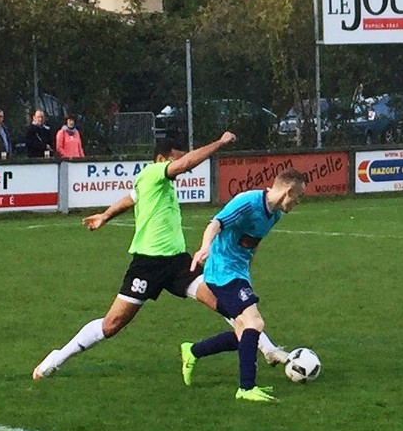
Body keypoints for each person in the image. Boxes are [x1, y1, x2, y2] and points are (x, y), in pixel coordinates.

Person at [32, 133, 288, 379]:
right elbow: (188, 163)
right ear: (160, 159)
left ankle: (268, 349)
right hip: (147, 265)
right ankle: (56, 358)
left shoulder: (155, 184)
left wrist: (105, 216)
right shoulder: (153, 173)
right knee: (112, 324)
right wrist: (220, 143)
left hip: (178, 263)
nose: (182, 168)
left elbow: (130, 199)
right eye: (176, 160)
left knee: (226, 302)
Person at [180, 168, 309, 403]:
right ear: (288, 191)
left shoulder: (275, 215)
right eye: (298, 196)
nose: (298, 202)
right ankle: (246, 388)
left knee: (244, 333)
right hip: (222, 272)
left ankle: (192, 351)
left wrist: (248, 270)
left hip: (238, 273)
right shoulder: (248, 202)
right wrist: (205, 247)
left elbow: (252, 244)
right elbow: (216, 223)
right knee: (255, 322)